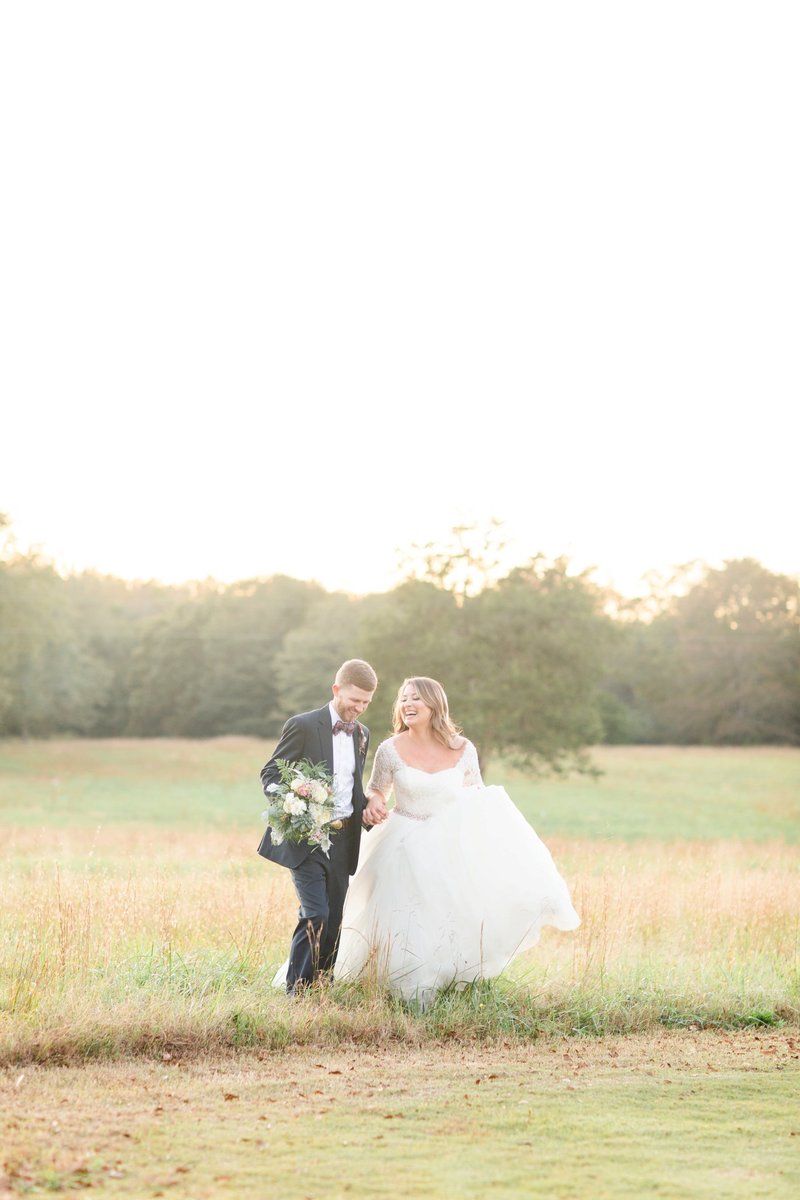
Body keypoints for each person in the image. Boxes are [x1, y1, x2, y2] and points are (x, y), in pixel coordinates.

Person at [334, 676, 580, 1006]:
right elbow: (377, 789)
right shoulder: (390, 749)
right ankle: (401, 988)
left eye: (416, 699)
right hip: (402, 841)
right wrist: (375, 801)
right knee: (403, 917)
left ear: (435, 705)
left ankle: (444, 982)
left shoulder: (463, 749)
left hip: (447, 843)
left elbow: (477, 798)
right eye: (403, 698)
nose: (407, 704)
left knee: (448, 914)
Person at [257, 659, 385, 995]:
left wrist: (369, 804)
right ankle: (296, 993)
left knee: (334, 924)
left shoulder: (362, 734)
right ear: (336, 689)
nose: (358, 708)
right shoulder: (302, 725)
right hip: (306, 838)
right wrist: (295, 802)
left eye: (365, 703)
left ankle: (319, 990)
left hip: (344, 840)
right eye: (354, 699)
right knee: (316, 914)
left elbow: (352, 786)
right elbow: (271, 774)